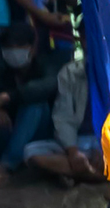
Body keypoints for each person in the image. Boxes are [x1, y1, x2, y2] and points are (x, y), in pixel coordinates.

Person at [0, 23, 58, 181]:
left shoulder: (45, 66)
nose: (13, 51)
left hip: (36, 137)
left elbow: (46, 86)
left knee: (36, 105)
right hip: (6, 131)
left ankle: (6, 166)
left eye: (18, 46)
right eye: (8, 47)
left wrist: (5, 97)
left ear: (32, 47)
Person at [24, 57, 105, 186]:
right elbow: (63, 116)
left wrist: (102, 149)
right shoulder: (71, 71)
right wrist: (73, 153)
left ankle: (78, 174)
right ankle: (96, 174)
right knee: (32, 152)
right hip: (77, 142)